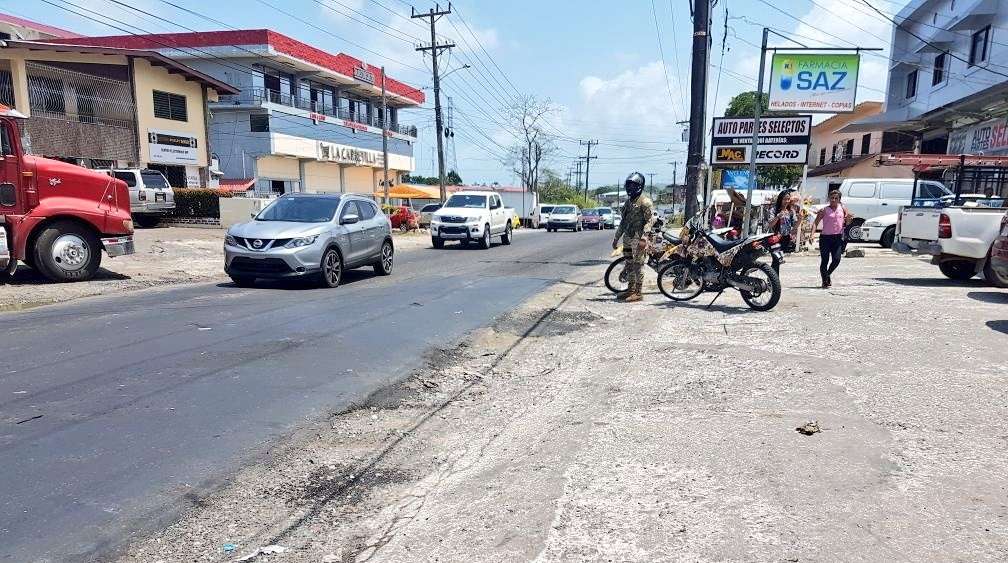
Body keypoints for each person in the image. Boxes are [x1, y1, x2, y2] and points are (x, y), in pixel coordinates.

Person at [612, 171, 655, 302]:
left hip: (639, 238)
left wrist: (644, 238)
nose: (630, 187)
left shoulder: (645, 202)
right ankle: (630, 290)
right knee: (629, 264)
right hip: (628, 238)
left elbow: (649, 221)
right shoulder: (628, 203)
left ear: (640, 185)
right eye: (628, 185)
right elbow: (623, 222)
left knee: (638, 265)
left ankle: (638, 292)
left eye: (633, 185)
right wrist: (616, 238)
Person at [813, 189, 853, 288]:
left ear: (839, 199)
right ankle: (824, 281)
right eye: (832, 198)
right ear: (829, 198)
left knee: (836, 259)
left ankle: (827, 274)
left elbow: (847, 223)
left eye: (836, 198)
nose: (834, 200)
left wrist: (849, 220)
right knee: (825, 260)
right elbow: (815, 222)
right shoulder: (824, 210)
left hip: (838, 237)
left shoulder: (842, 209)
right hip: (825, 238)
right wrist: (811, 234)